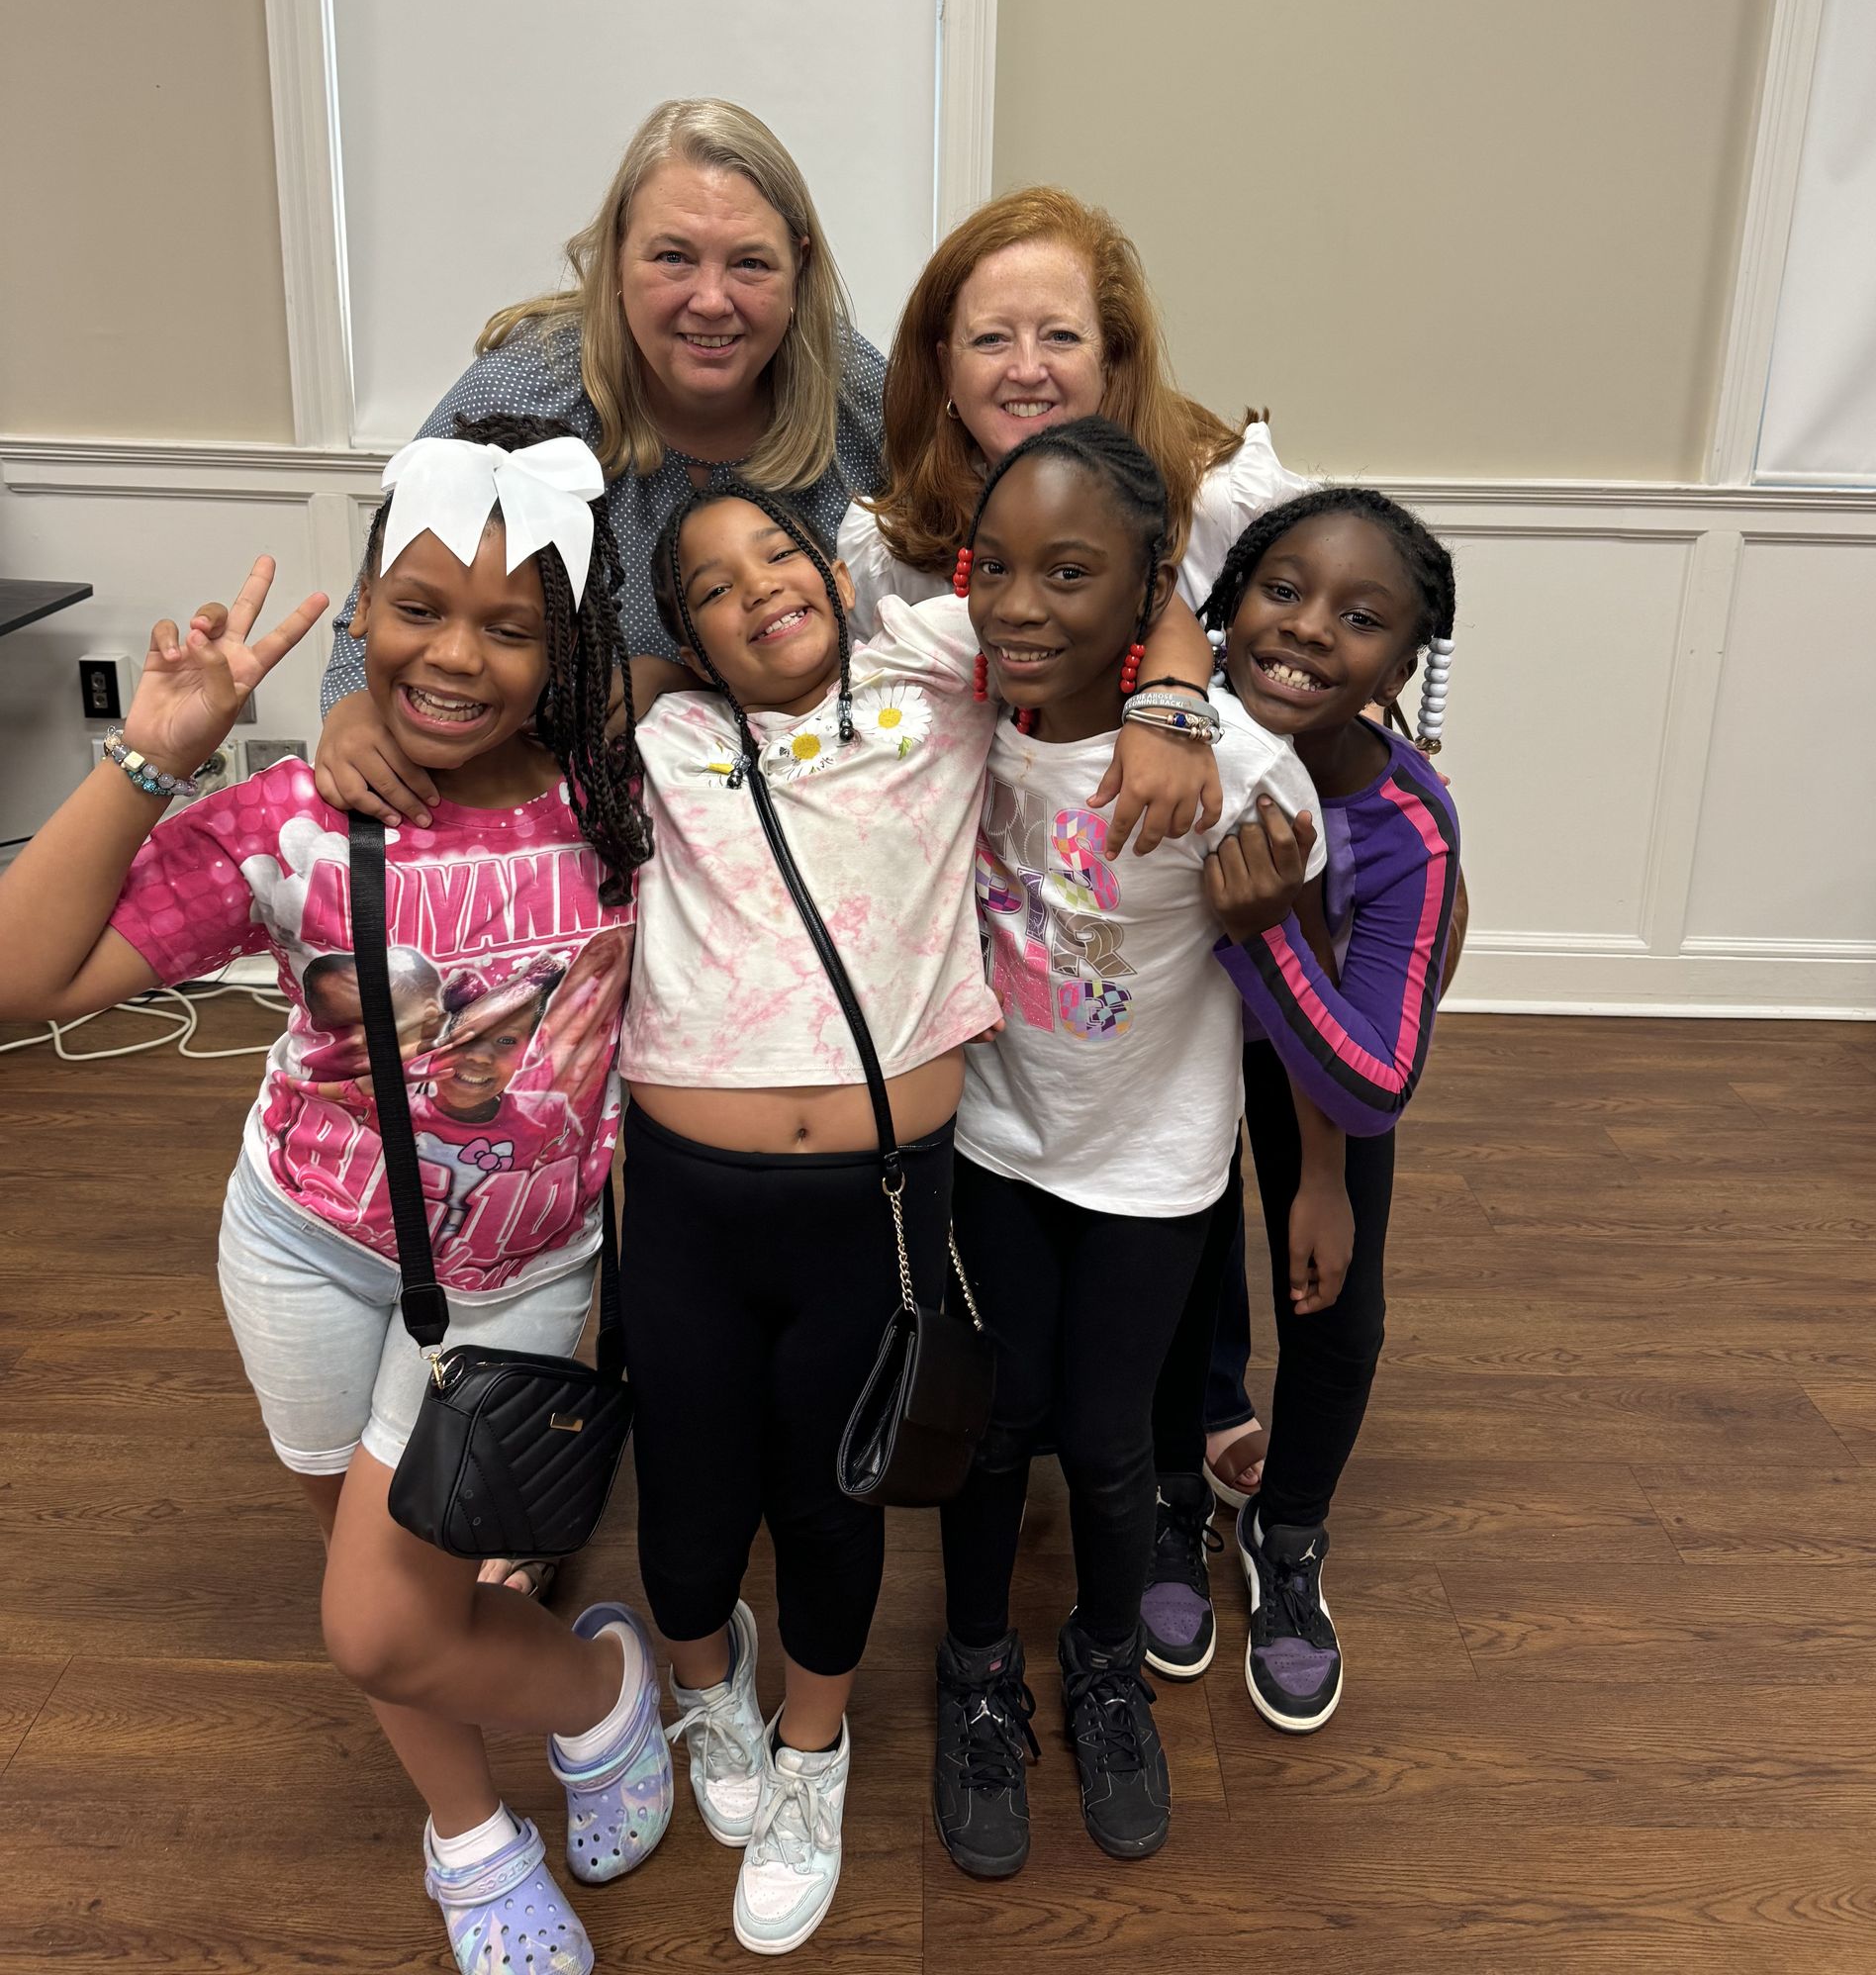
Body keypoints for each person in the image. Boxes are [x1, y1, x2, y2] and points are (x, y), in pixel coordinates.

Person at [0, 422, 668, 1975]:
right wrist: (156, 748)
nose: (457, 657)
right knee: (367, 1581)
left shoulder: (620, 807)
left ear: (566, 648)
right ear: (362, 606)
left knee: (381, 1617)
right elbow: (25, 976)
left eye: (513, 627)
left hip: (516, 1277)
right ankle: (469, 1837)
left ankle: (601, 1695)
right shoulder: (298, 813)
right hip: (303, 1243)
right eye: (419, 609)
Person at [619, 476, 1217, 1954]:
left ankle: (814, 1755)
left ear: (834, 568)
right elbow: (485, 699)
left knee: (836, 1495)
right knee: (688, 1514)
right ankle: (710, 1696)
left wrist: (1178, 705)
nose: (757, 585)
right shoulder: (662, 737)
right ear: (685, 640)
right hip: (690, 1206)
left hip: (880, 1205)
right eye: (710, 586)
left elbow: (1128, 586)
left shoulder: (934, 672)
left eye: (777, 552)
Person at [928, 419, 1325, 1882]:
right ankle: (976, 1669)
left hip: (1153, 1166)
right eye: (1000, 569)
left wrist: (1261, 901)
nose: (1022, 606)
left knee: (1107, 1444)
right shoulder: (959, 690)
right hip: (992, 1143)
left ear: (1152, 584)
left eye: (1071, 574)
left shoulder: (1231, 764)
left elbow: (1312, 909)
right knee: (987, 1431)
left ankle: (1101, 1666)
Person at [316, 97, 886, 831]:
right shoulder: (526, 390)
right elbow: (398, 585)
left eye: (750, 264)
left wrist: (679, 685)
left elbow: (962, 573)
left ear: (799, 267)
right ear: (616, 257)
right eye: (672, 257)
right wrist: (351, 707)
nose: (711, 301)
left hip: (818, 805)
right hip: (570, 827)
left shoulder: (858, 393)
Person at [1142, 487, 1461, 1739]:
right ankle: (1176, 1495)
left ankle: (1291, 1533)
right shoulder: (1166, 739)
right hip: (1165, 1049)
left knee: (1340, 1306)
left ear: (1403, 659)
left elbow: (1375, 1078)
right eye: (1284, 590)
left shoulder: (1406, 825)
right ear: (1226, 606)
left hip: (1309, 1059)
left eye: (1362, 615)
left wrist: (1320, 1168)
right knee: (1176, 1262)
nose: (1314, 628)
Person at [838, 185, 1309, 631]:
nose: (1025, 370)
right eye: (990, 339)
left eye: (1060, 336)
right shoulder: (886, 551)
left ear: (1110, 357)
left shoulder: (1224, 504)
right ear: (946, 369)